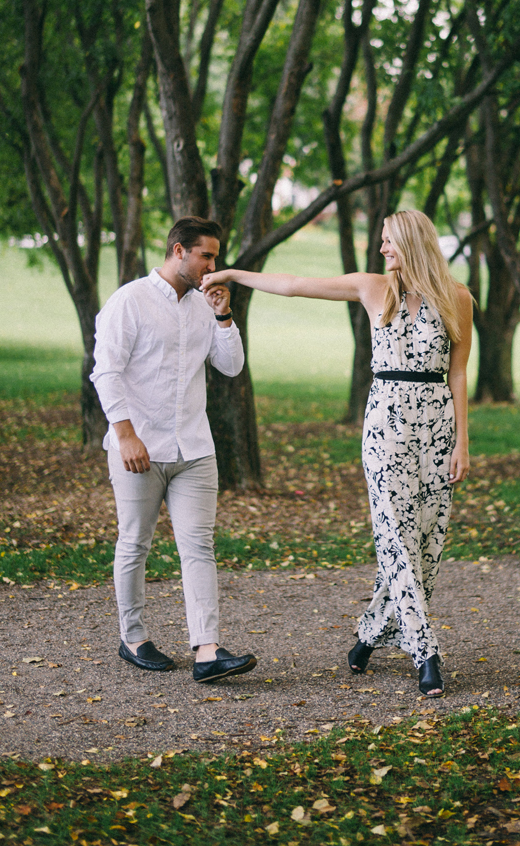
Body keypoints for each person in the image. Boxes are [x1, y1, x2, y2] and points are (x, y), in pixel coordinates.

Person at [202, 209, 472, 697]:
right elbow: (293, 283)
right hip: (385, 426)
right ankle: (426, 653)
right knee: (395, 535)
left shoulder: (458, 298)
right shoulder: (372, 288)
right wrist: (233, 274)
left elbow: (457, 374)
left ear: (411, 243)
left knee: (427, 545)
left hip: (437, 428)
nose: (383, 248)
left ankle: (368, 637)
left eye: (389, 241)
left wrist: (462, 445)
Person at [91, 216, 257, 684]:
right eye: (206, 255)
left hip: (195, 449)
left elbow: (229, 367)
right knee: (135, 543)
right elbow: (106, 372)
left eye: (216, 258)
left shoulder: (206, 304)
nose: (213, 266)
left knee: (199, 547)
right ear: (179, 251)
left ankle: (207, 651)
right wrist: (125, 435)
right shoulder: (130, 300)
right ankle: (134, 638)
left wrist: (224, 315)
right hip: (139, 447)